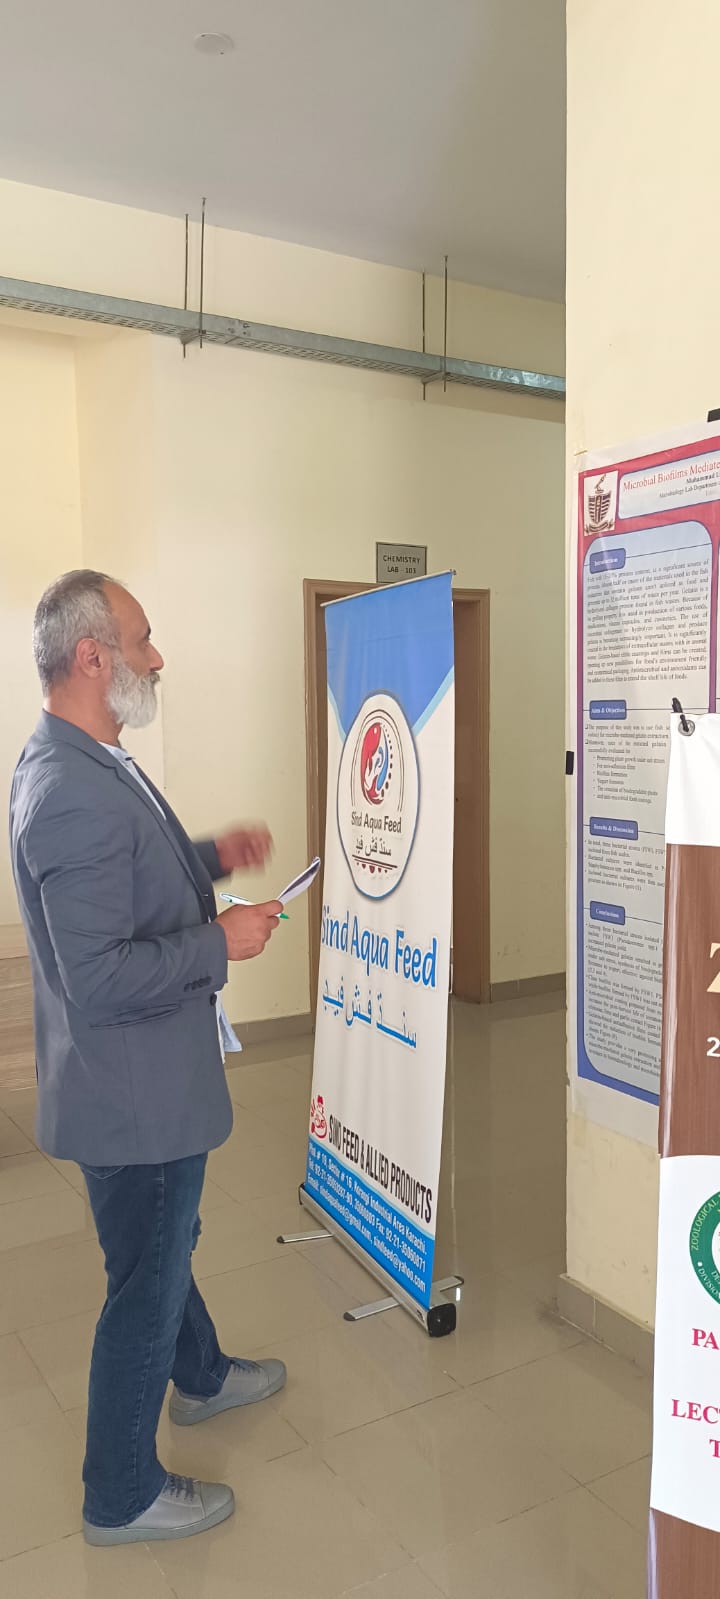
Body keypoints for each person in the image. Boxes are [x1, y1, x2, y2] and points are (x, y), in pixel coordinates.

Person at [10, 569, 287, 1547]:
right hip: (135, 1097)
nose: (157, 656)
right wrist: (222, 942)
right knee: (146, 1285)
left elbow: (126, 875)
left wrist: (209, 857)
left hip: (126, 1083)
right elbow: (99, 976)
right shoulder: (69, 791)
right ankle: (120, 1493)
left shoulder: (81, 757)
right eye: (143, 639)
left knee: (158, 1251)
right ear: (93, 656)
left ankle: (200, 1375)